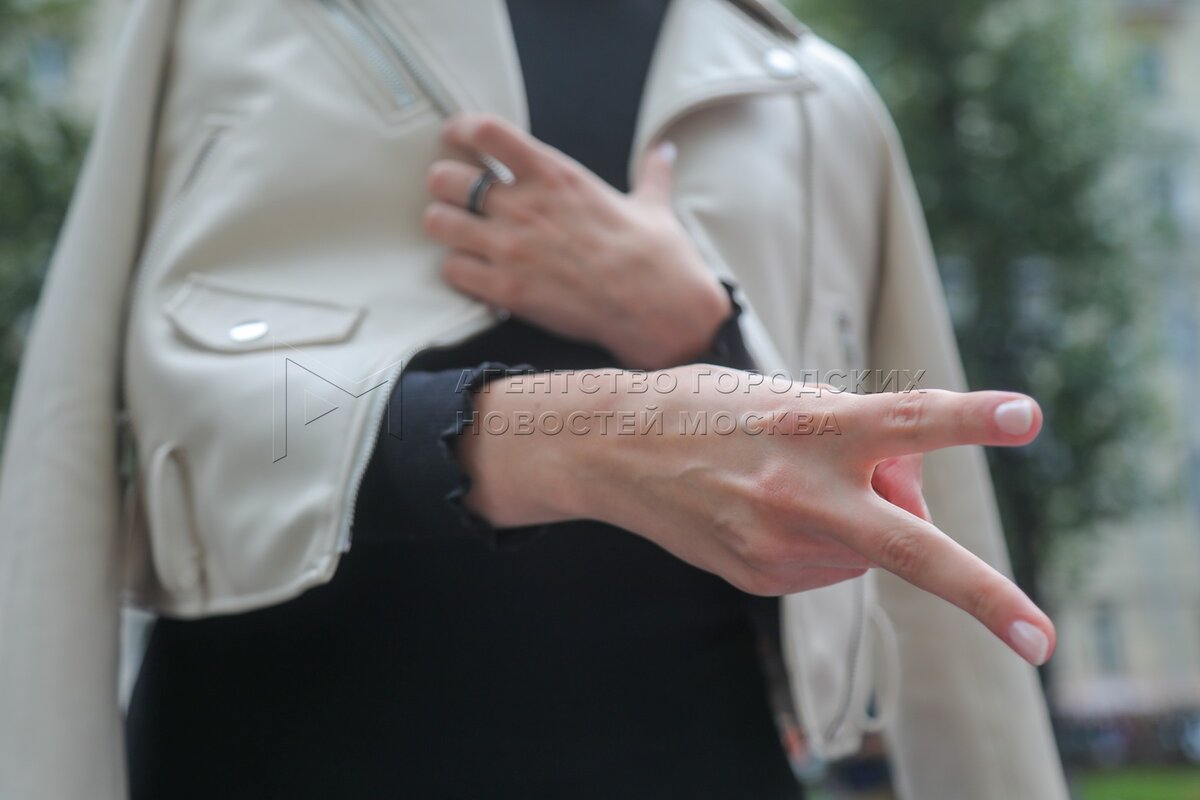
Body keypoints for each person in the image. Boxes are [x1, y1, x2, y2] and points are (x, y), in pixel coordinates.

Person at [0, 1, 1069, 798]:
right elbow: (153, 423)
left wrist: (699, 326)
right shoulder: (233, 18)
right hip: (272, 751)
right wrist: (575, 440)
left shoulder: (815, 97)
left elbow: (922, 517)